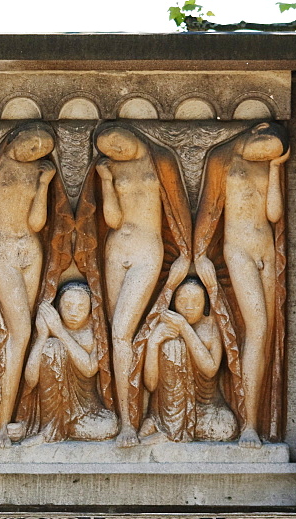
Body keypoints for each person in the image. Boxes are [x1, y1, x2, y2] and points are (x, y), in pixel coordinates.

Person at [76, 122, 192, 447]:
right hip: (117, 248)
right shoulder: (110, 168)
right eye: (108, 148)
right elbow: (111, 219)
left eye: (117, 142)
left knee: (122, 331)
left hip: (147, 249)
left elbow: (178, 208)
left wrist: (187, 252)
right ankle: (125, 415)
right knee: (116, 331)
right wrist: (107, 180)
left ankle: (130, 421)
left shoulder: (161, 159)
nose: (116, 150)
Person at [0, 122, 69, 446]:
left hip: (29, 248)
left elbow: (37, 222)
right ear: (14, 137)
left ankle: (12, 415)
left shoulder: (35, 171)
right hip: (2, 247)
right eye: (32, 142)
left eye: (42, 148)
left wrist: (43, 182)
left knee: (23, 333)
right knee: (19, 332)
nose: (35, 149)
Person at [193, 122, 289, 447]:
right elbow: (208, 209)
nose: (266, 153)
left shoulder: (269, 164)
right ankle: (248, 425)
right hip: (237, 249)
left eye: (274, 152)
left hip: (265, 250)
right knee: (258, 328)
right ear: (257, 131)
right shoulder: (224, 157)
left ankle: (254, 418)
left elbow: (274, 214)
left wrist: (275, 168)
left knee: (265, 334)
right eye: (265, 147)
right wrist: (199, 253)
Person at [141, 277, 237, 444]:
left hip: (206, 408)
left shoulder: (212, 326)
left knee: (226, 427)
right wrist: (153, 343)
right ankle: (161, 424)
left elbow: (210, 369)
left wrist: (185, 328)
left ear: (205, 303)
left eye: (196, 301)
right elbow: (150, 385)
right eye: (182, 300)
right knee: (171, 344)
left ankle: (167, 431)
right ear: (172, 302)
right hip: (168, 410)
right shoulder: (164, 330)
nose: (189, 307)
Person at [22, 281, 117, 445]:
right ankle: (49, 428)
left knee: (110, 425)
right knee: (52, 347)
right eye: (68, 306)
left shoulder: (96, 332)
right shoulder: (48, 332)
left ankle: (63, 427)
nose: (74, 312)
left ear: (90, 310)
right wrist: (43, 336)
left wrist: (59, 331)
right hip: (51, 412)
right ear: (58, 308)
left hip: (87, 410)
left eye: (81, 307)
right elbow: (31, 379)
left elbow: (89, 369)